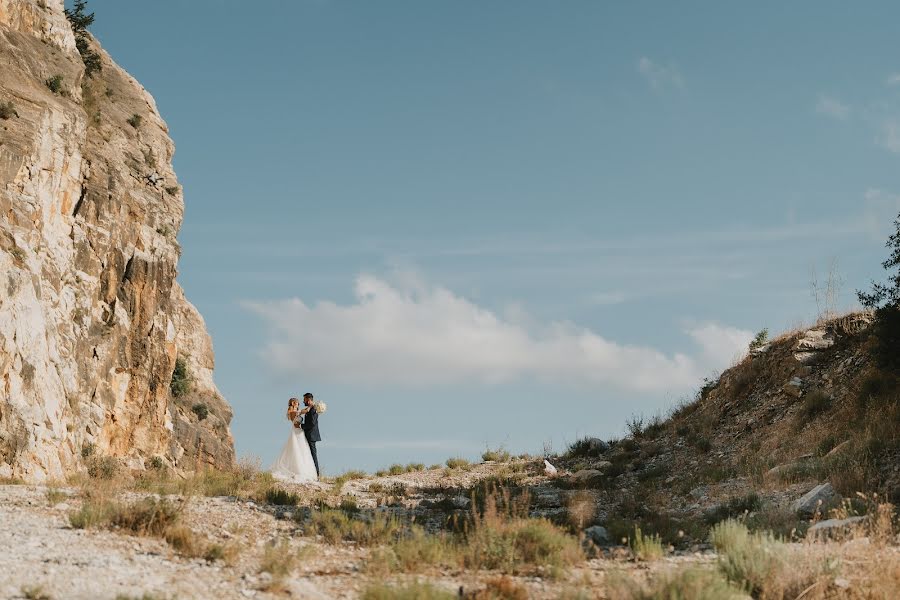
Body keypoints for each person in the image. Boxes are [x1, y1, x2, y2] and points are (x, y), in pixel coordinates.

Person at [270, 397, 318, 482]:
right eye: (297, 403)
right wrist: (312, 406)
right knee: (297, 450)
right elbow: (305, 411)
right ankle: (298, 470)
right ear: (293, 403)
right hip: (296, 432)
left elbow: (304, 411)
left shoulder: (297, 412)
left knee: (303, 450)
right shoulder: (292, 412)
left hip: (300, 432)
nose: (298, 404)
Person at [299, 392, 322, 476]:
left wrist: (301, 426)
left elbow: (312, 423)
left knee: (313, 454)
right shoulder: (310, 408)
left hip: (311, 435)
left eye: (304, 399)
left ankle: (316, 473)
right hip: (309, 434)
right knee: (308, 453)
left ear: (308, 400)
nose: (303, 401)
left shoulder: (313, 409)